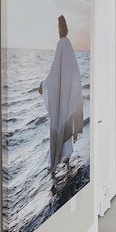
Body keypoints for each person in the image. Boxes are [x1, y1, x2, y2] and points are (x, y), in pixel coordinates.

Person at [39, 15, 83, 174]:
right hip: (67, 97)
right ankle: (67, 161)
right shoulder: (69, 44)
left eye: (59, 27)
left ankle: (56, 166)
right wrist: (73, 95)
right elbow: (74, 73)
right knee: (65, 125)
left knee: (58, 126)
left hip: (62, 97)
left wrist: (43, 85)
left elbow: (54, 73)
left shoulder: (61, 44)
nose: (58, 30)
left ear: (62, 29)